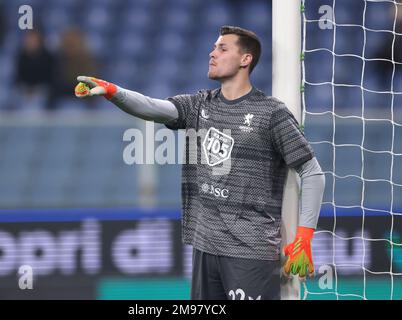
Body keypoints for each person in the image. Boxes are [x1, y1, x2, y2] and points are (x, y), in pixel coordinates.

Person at [75, 26, 325, 300]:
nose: (212, 53)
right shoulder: (199, 104)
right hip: (205, 248)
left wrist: (304, 237)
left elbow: (312, 172)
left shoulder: (271, 113)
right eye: (214, 47)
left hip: (249, 252)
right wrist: (114, 92)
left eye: (222, 48)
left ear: (245, 59)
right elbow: (151, 107)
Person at [15, 30, 55, 110]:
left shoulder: (48, 57)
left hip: (42, 91)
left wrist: (36, 91)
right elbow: (18, 79)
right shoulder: (21, 57)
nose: (31, 42)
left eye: (34, 40)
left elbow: (51, 80)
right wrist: (27, 90)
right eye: (29, 40)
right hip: (24, 91)